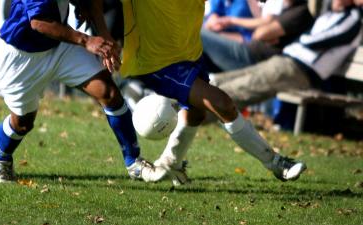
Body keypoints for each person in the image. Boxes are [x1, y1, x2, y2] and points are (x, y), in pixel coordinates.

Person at [120, 0, 307, 185]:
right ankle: (276, 163)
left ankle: (170, 163)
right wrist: (96, 36)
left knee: (195, 113)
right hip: (156, 62)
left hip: (187, 55)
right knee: (222, 104)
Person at [0, 0, 158, 183]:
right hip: (23, 57)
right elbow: (39, 22)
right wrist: (87, 40)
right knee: (23, 123)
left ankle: (134, 162)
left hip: (60, 47)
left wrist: (103, 33)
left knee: (108, 92)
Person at [210, 4, 362, 110]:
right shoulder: (327, 14)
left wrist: (296, 40)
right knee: (223, 80)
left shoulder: (354, 18)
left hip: (300, 70)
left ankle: (197, 108)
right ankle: (196, 101)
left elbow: (322, 39)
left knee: (235, 89)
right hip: (287, 61)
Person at [202, 0, 314, 72]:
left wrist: (231, 21)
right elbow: (263, 28)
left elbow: (259, 33)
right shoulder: (285, 6)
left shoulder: (299, 10)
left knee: (199, 34)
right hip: (249, 50)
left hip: (252, 57)